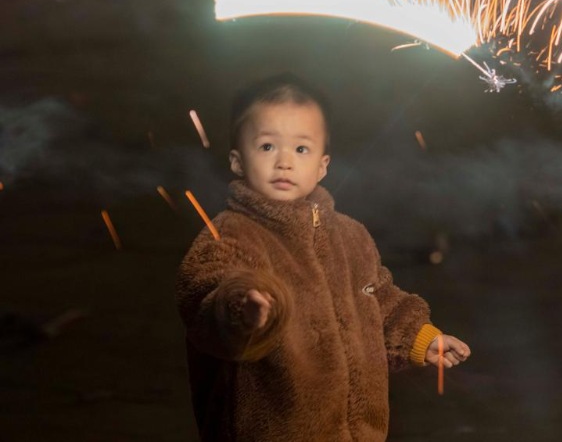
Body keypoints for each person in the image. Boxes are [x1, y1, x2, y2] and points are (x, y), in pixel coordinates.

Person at [175, 72, 471, 442]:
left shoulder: (351, 236)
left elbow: (379, 300)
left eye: (301, 149)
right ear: (237, 161)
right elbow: (205, 293)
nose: (284, 162)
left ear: (322, 165)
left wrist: (419, 337)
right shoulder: (232, 234)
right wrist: (242, 309)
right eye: (267, 146)